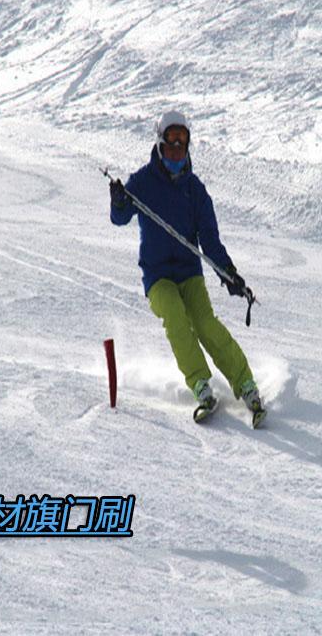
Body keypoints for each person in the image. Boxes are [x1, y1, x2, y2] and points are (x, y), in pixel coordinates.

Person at [110, 110, 265, 427]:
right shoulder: (143, 182)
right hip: (157, 276)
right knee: (176, 318)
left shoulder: (195, 191)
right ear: (159, 145)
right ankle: (200, 384)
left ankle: (245, 383)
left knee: (205, 323)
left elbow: (210, 240)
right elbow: (120, 217)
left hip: (189, 272)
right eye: (171, 146)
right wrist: (119, 200)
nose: (177, 153)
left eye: (182, 147)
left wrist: (229, 273)